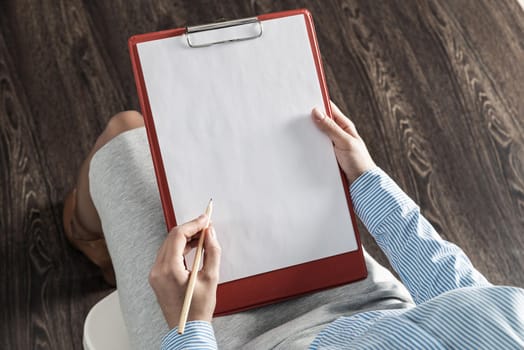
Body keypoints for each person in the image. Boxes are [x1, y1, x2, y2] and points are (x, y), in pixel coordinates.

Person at [64, 103, 524, 349]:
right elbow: (470, 298)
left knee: (125, 132)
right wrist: (367, 180)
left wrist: (187, 326)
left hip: (230, 342)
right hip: (366, 304)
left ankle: (88, 238)